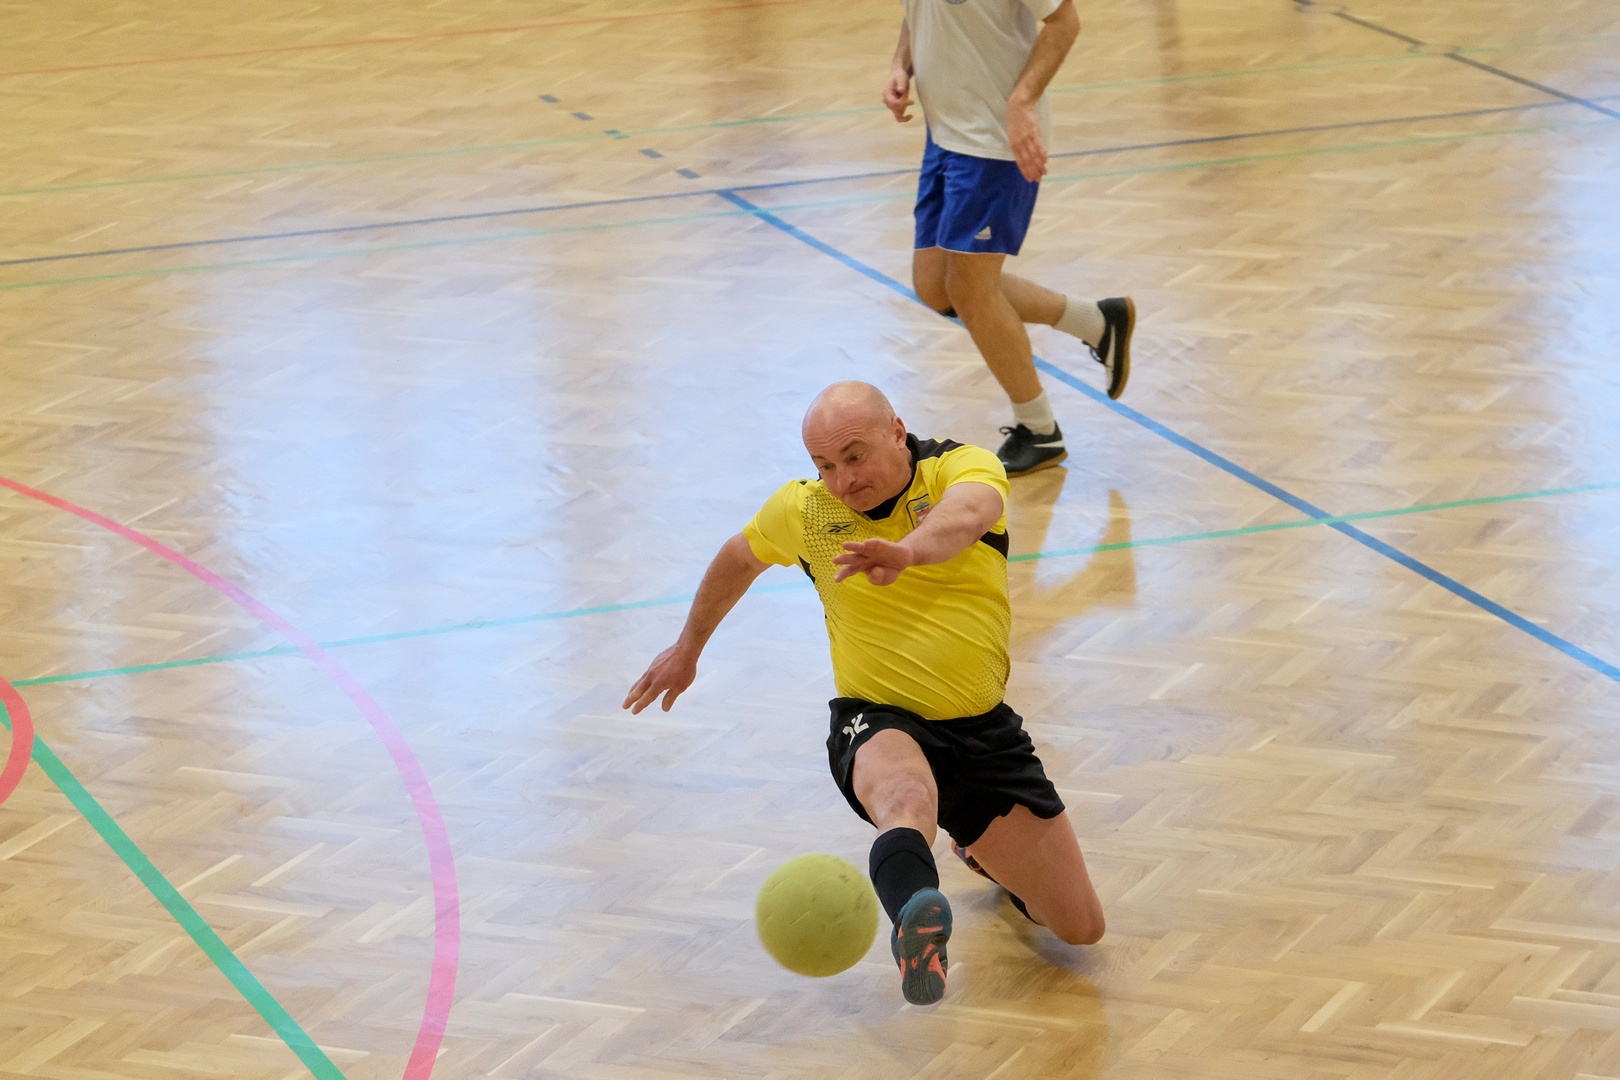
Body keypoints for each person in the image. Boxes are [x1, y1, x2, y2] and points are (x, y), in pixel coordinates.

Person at [624, 381, 1105, 1006]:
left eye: (855, 456)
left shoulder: (960, 468)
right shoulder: (805, 511)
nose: (843, 480)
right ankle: (915, 924)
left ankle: (979, 851)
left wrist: (906, 552)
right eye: (825, 465)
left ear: (897, 432)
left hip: (983, 733)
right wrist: (687, 648)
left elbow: (967, 517)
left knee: (1080, 928)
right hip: (878, 719)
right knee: (906, 796)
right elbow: (739, 556)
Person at [881, 0, 1137, 478]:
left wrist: (1022, 101)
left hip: (994, 141)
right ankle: (1098, 321)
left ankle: (1040, 430)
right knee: (935, 285)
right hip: (945, 132)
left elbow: (1064, 20)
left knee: (970, 290)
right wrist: (902, 64)